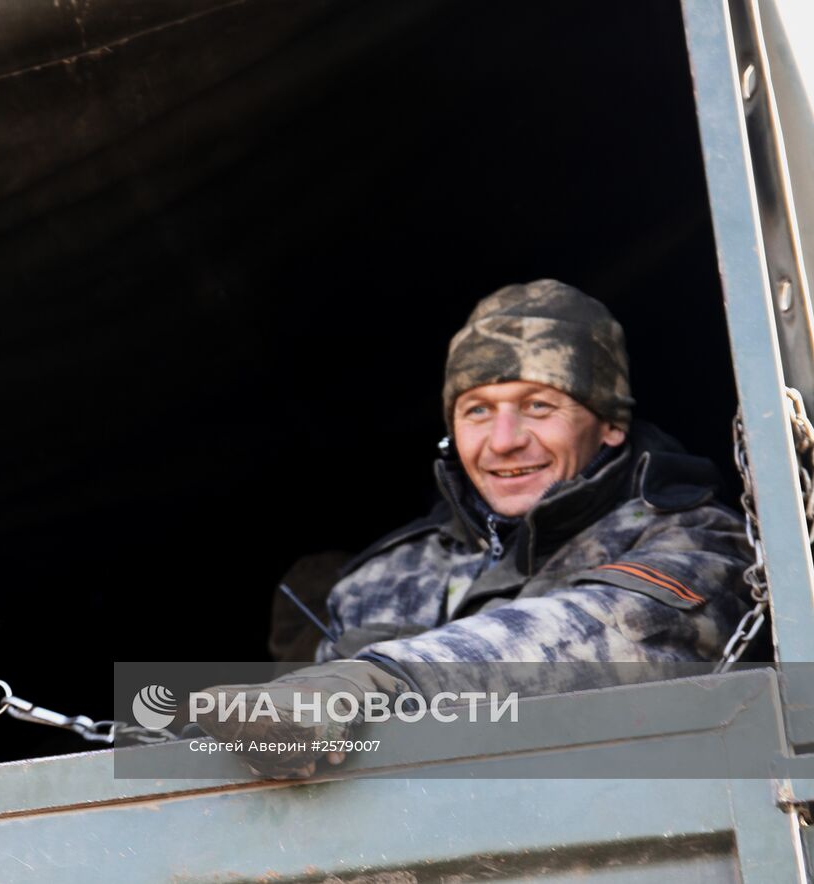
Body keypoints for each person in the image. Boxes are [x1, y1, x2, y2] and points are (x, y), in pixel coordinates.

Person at [210, 279, 753, 776]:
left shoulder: (700, 541)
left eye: (538, 405)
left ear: (610, 425)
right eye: (477, 411)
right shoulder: (377, 580)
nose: (503, 440)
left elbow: (601, 635)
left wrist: (380, 677)